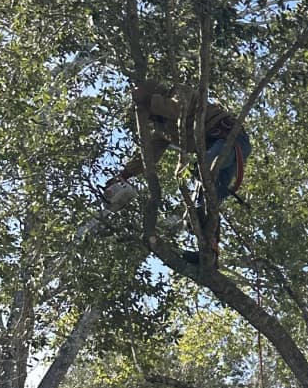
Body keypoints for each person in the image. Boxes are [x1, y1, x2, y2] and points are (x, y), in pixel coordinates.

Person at [102, 83, 251, 265]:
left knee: (206, 169)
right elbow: (148, 154)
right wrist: (124, 175)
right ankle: (210, 252)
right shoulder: (163, 130)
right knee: (199, 209)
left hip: (229, 140)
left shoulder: (179, 92)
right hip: (212, 153)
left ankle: (209, 246)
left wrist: (147, 99)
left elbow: (176, 109)